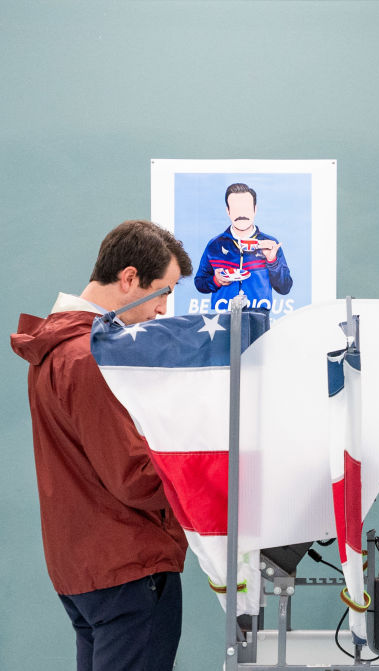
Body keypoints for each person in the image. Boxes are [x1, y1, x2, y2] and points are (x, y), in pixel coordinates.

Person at [11, 220, 193, 671]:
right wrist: (204, 474)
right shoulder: (90, 356)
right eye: (163, 292)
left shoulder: (54, 349)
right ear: (129, 279)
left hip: (81, 568)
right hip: (128, 566)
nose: (163, 310)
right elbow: (133, 477)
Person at [193, 182, 293, 310]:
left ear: (255, 210)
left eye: (246, 208)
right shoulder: (215, 244)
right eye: (235, 209)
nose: (241, 214)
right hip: (222, 320)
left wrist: (272, 261)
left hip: (258, 319)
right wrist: (216, 280)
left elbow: (285, 287)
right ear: (228, 211)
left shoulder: (269, 243)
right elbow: (200, 283)